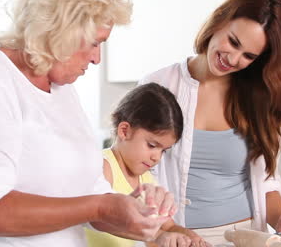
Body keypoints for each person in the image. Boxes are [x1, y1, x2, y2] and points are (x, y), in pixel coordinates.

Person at [0, 0, 176, 246]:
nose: (96, 59)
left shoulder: (62, 91)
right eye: (95, 43)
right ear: (62, 31)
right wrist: (102, 206)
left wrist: (140, 214)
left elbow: (88, 194)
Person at [139, 0, 281, 245]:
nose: (233, 59)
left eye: (249, 56)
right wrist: (164, 232)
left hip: (246, 235)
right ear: (220, 21)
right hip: (179, 238)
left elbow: (267, 184)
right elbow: (134, 171)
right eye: (233, 42)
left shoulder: (257, 98)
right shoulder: (158, 85)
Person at [85, 83, 210, 247]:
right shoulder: (103, 167)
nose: (156, 158)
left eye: (164, 150)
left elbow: (168, 226)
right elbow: (102, 218)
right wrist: (159, 236)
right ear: (124, 131)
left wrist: (190, 237)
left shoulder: (146, 178)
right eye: (152, 145)